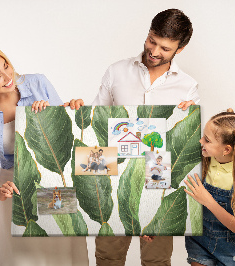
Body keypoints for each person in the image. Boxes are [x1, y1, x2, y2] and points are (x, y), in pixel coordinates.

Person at [0, 45, 88, 266]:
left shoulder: (37, 83)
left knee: (63, 254)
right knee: (23, 259)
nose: (8, 77)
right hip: (14, 190)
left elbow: (66, 135)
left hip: (54, 182)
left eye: (6, 66)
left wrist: (70, 109)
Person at [91, 8, 199, 266]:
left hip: (159, 178)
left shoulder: (188, 86)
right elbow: (96, 124)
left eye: (164, 48)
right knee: (108, 256)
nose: (154, 51)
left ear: (179, 50)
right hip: (115, 175)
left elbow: (187, 144)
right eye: (152, 40)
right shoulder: (116, 71)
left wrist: (185, 118)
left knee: (157, 260)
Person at [184, 109, 235, 265]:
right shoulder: (204, 160)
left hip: (232, 250)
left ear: (226, 149)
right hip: (199, 242)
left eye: (207, 140)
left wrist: (208, 201)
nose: (201, 141)